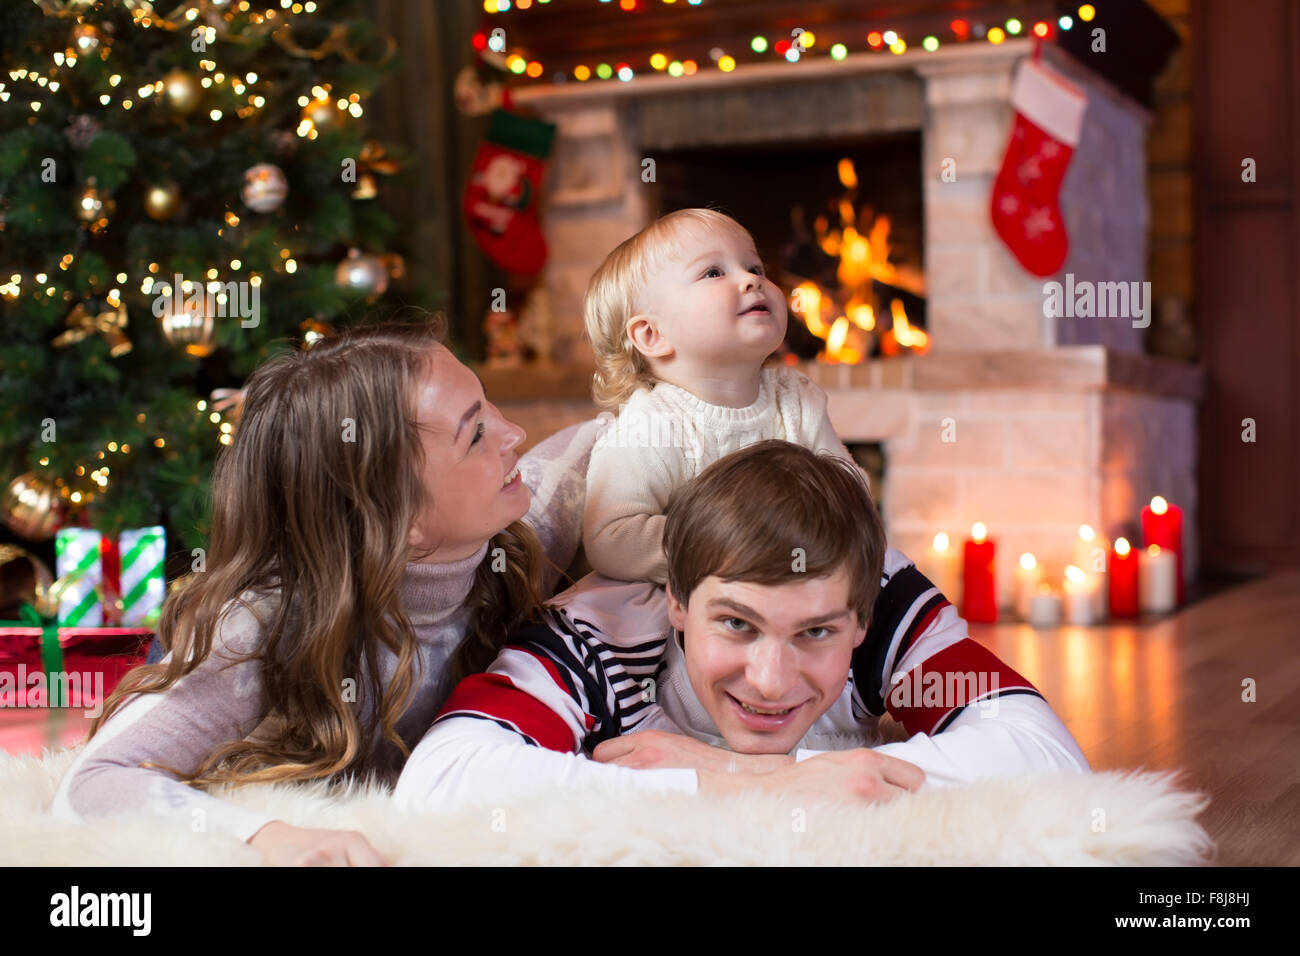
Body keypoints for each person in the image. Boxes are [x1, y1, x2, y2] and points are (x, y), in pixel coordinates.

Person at [51, 321, 603, 866]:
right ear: (395, 514)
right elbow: (90, 783)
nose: (514, 434)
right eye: (476, 433)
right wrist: (264, 835)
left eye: (488, 404)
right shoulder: (259, 632)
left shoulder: (521, 540)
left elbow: (598, 438)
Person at [394, 441, 1090, 813]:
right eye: (735, 624)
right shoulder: (595, 630)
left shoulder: (883, 592)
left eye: (815, 633)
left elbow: (1047, 756)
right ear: (675, 599)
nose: (770, 681)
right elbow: (443, 778)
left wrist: (730, 772)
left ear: (860, 618)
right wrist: (748, 785)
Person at [581, 207, 858, 585]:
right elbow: (610, 538)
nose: (751, 280)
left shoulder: (795, 401)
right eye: (713, 272)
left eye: (756, 268)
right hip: (699, 610)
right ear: (651, 335)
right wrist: (731, 546)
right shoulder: (653, 424)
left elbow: (850, 493)